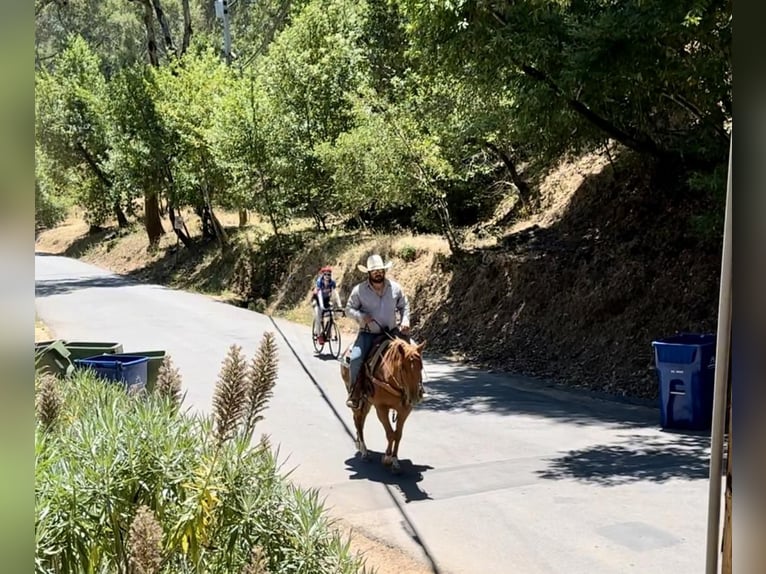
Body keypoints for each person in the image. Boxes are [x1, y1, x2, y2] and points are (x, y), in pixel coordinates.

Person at [344, 254, 411, 408]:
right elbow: (348, 309)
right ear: (369, 273)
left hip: (392, 332)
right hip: (368, 333)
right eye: (374, 271)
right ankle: (355, 394)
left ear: (384, 270)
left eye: (380, 270)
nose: (378, 273)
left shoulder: (395, 288)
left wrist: (405, 320)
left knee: (413, 353)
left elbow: (404, 305)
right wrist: (361, 316)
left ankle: (417, 388)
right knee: (355, 358)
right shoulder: (359, 290)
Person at [312, 266, 341, 344]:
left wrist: (339, 305)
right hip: (318, 301)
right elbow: (320, 295)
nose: (327, 276)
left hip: (326, 301)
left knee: (331, 315)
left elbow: (336, 293)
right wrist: (321, 306)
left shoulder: (332, 282)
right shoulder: (319, 282)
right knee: (318, 316)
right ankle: (318, 335)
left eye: (329, 275)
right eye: (326, 274)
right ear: (323, 275)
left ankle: (328, 333)